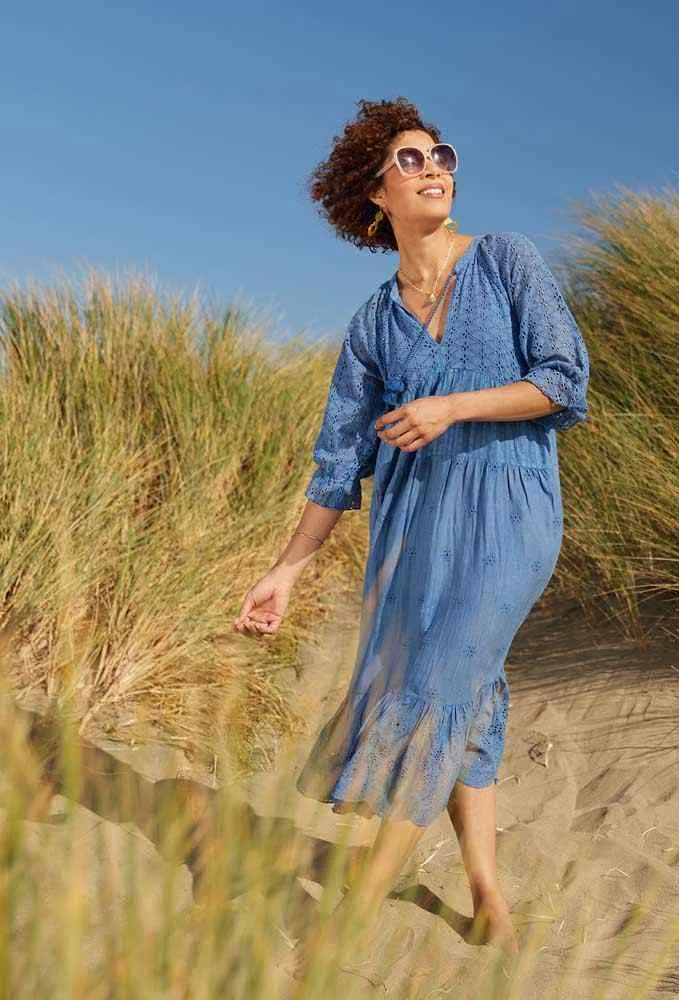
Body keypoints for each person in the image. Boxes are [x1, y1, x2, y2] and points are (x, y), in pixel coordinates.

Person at [233, 97, 589, 957]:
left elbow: (564, 380)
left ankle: (357, 898)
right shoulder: (371, 325)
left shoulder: (506, 261)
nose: (435, 167)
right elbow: (336, 463)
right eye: (410, 159)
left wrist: (452, 407)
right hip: (410, 528)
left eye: (442, 154)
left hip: (509, 507)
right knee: (466, 690)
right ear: (374, 196)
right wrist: (285, 571)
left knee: (437, 679)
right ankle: (486, 889)